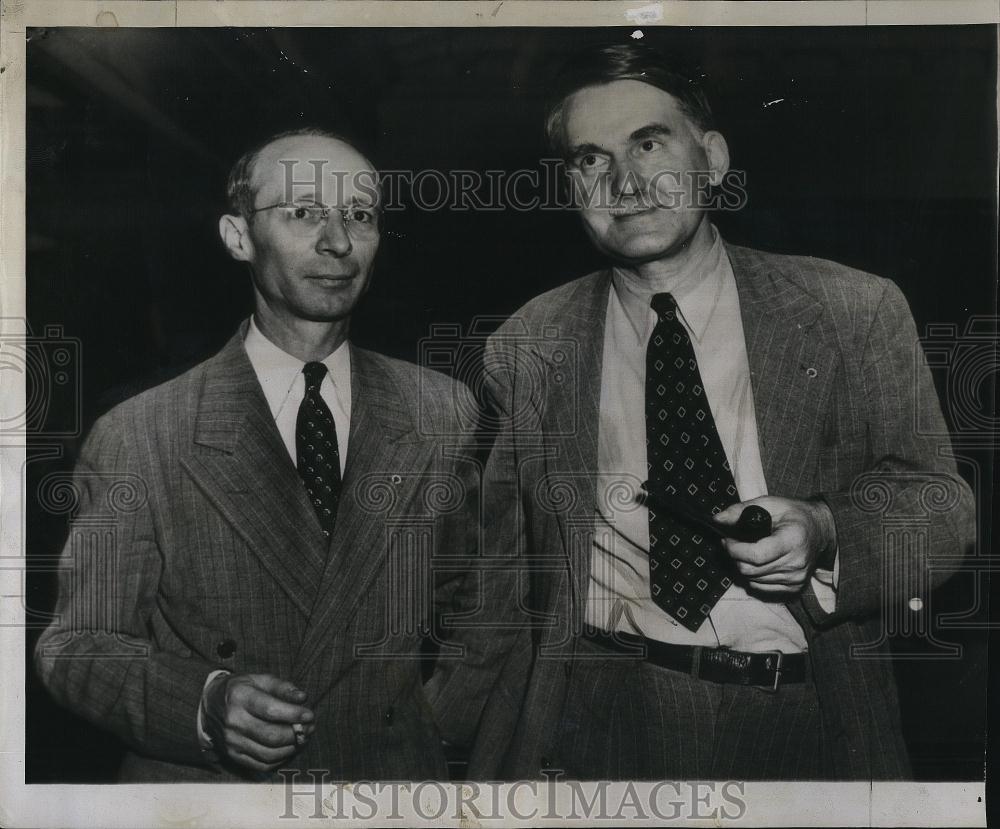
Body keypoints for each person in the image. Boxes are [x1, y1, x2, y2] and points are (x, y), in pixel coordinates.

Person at [426, 43, 976, 780]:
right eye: (590, 160)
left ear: (711, 158)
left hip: (802, 719)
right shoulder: (528, 344)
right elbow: (494, 581)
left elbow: (940, 509)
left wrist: (823, 526)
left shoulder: (852, 309)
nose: (624, 181)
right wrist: (437, 743)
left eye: (649, 143)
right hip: (593, 723)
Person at [35, 127, 478, 782]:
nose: (338, 241)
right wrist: (205, 702)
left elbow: (484, 607)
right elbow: (76, 646)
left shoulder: (444, 411)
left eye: (359, 214)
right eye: (303, 212)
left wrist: (427, 730)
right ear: (238, 236)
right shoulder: (140, 434)